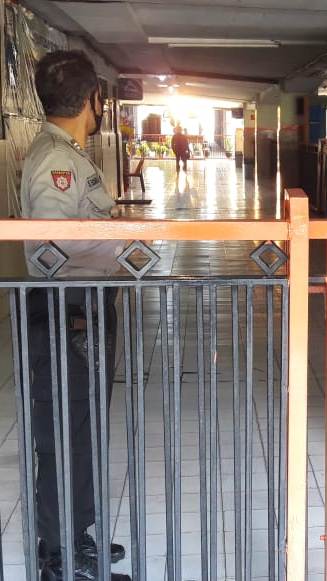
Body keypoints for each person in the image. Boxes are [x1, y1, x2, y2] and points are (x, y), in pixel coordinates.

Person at [21, 50, 129, 581]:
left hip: (79, 305)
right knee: (66, 431)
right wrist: (122, 243)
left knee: (80, 429)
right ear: (93, 100)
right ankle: (60, 556)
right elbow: (54, 247)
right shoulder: (57, 162)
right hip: (68, 309)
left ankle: (75, 534)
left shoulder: (63, 153)